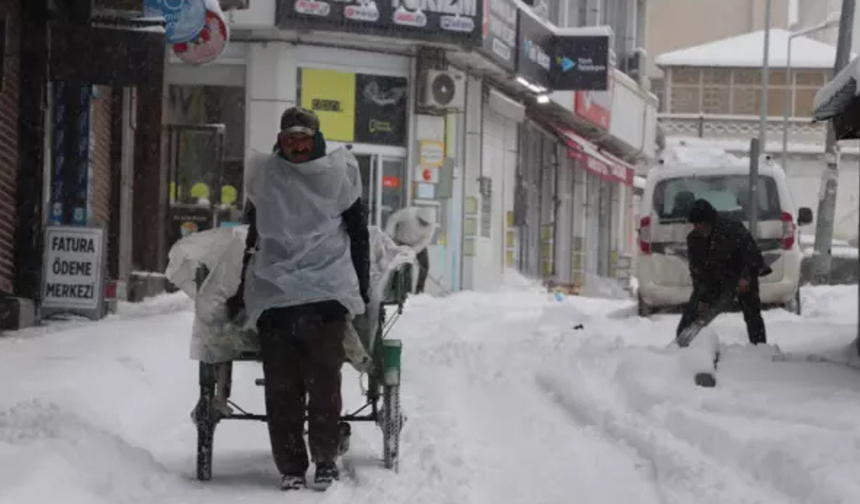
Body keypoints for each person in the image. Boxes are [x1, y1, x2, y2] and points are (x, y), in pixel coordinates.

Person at [227, 106, 370, 491]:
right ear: (280, 142)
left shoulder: (339, 175)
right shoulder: (266, 178)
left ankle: (325, 460)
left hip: (326, 295)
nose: (297, 147)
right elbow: (252, 238)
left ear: (316, 140)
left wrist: (363, 285)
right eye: (290, 140)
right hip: (276, 297)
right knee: (282, 387)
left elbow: (358, 233)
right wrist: (241, 290)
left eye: (303, 139)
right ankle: (291, 466)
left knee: (324, 381)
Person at [677, 199, 767, 346]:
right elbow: (698, 272)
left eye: (701, 223)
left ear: (709, 221)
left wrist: (746, 277)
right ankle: (681, 344)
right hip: (714, 280)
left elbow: (753, 256)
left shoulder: (733, 230)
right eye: (695, 224)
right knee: (692, 311)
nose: (697, 227)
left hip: (742, 276)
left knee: (752, 314)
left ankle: (760, 346)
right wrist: (702, 299)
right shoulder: (694, 240)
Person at [384, 206, 436, 294]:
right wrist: (390, 233)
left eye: (426, 224)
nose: (424, 225)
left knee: (425, 266)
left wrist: (414, 250)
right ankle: (406, 291)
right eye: (422, 222)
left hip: (419, 246)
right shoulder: (409, 213)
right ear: (418, 217)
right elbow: (393, 218)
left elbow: (426, 240)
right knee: (406, 268)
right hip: (403, 242)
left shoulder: (431, 225)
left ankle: (419, 289)